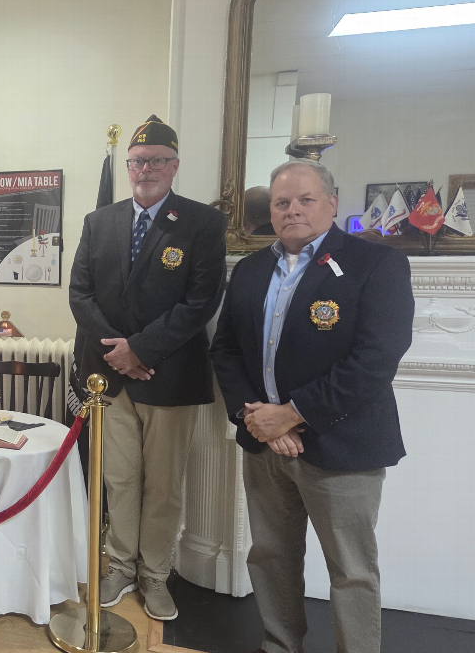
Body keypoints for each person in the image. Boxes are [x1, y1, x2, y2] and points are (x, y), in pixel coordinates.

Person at [210, 159, 414, 653]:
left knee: (352, 570)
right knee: (271, 557)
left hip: (342, 445)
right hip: (264, 446)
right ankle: (280, 645)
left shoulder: (377, 265)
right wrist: (255, 417)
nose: (292, 210)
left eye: (305, 200)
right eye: (282, 202)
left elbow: (375, 360)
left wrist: (293, 413)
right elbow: (226, 350)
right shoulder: (251, 269)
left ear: (331, 204)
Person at [69, 116, 227, 620]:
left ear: (175, 166)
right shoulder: (100, 221)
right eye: (138, 162)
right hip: (110, 376)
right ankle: (120, 565)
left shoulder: (203, 223)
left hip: (169, 377)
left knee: (164, 487)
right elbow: (80, 294)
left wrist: (141, 349)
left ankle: (156, 575)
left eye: (157, 160)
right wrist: (119, 352)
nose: (145, 169)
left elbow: (202, 301)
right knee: (119, 479)